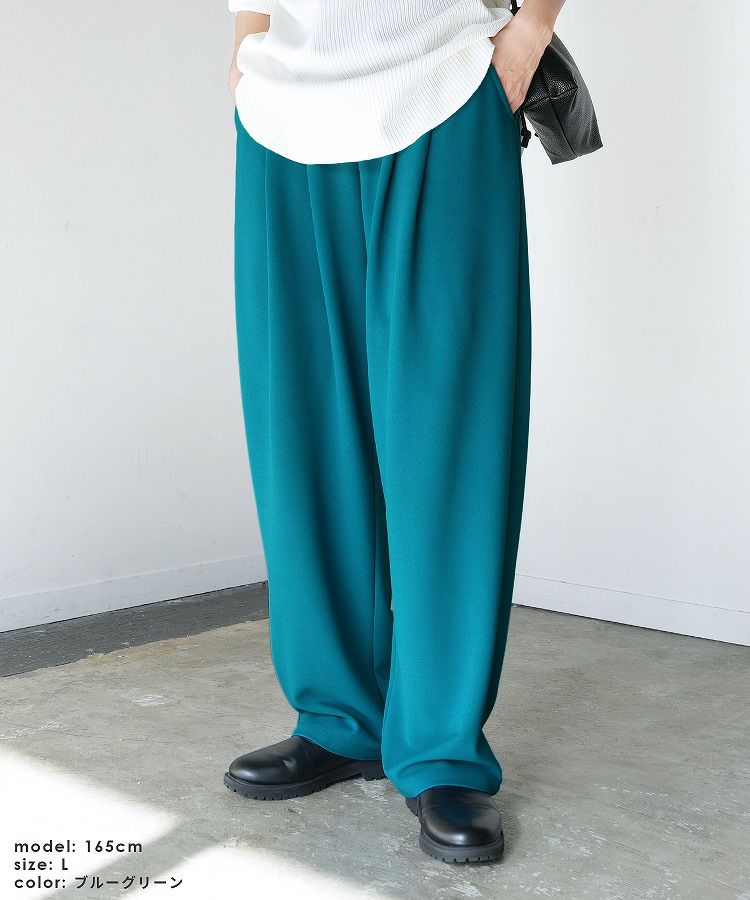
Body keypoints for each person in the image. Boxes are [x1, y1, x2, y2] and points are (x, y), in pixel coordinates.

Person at [224, 0, 563, 865]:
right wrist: (247, 42)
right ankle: (340, 716)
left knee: (449, 436)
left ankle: (442, 748)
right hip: (281, 111)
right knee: (301, 433)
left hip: (440, 90)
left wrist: (529, 33)